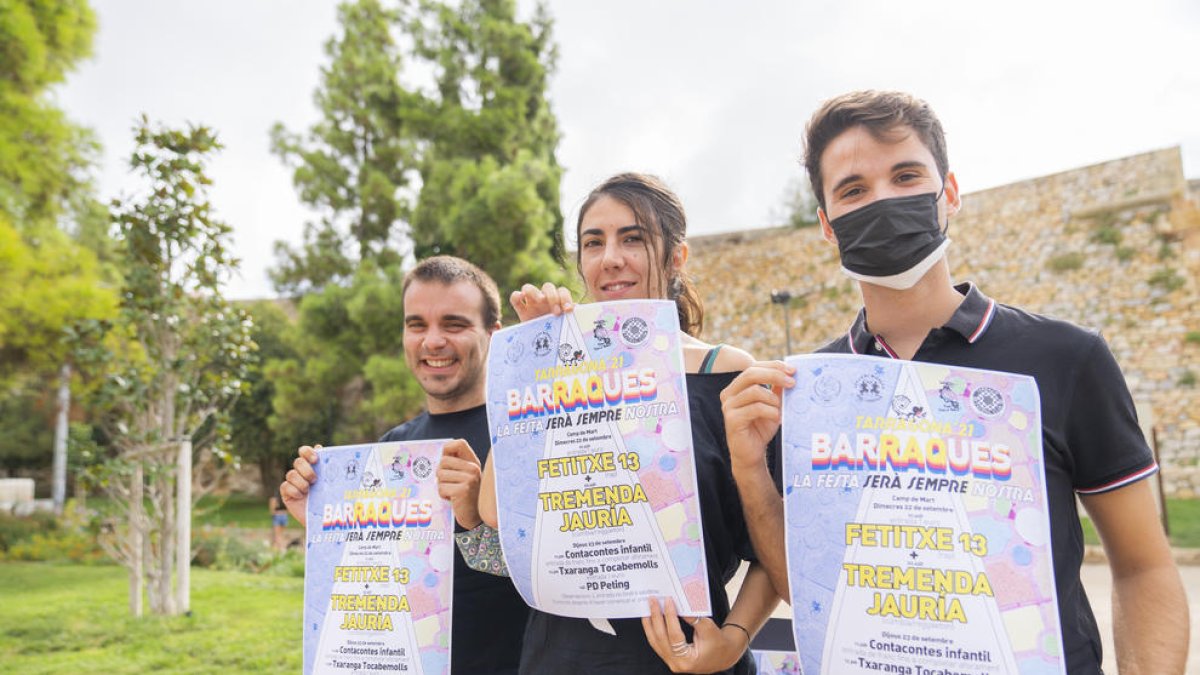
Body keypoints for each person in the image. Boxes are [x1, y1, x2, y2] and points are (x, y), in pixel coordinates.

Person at [722, 90, 1190, 674]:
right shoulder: (811, 391)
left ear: (949, 193)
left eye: (906, 175)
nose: (884, 200)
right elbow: (814, 594)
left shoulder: (1068, 358)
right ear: (826, 225)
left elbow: (1143, 565)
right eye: (853, 190)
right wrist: (749, 471)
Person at [478, 172, 780, 674]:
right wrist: (532, 364)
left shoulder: (727, 374)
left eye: (633, 238)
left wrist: (730, 642)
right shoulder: (558, 371)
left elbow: (772, 540)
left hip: (688, 662)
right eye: (593, 243)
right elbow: (493, 509)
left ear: (676, 257)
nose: (610, 258)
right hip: (560, 661)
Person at [279, 255, 530, 675]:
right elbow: (379, 580)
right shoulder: (393, 448)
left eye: (454, 324)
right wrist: (325, 527)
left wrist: (476, 521)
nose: (432, 341)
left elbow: (558, 581)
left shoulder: (525, 436)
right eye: (417, 324)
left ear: (494, 335)